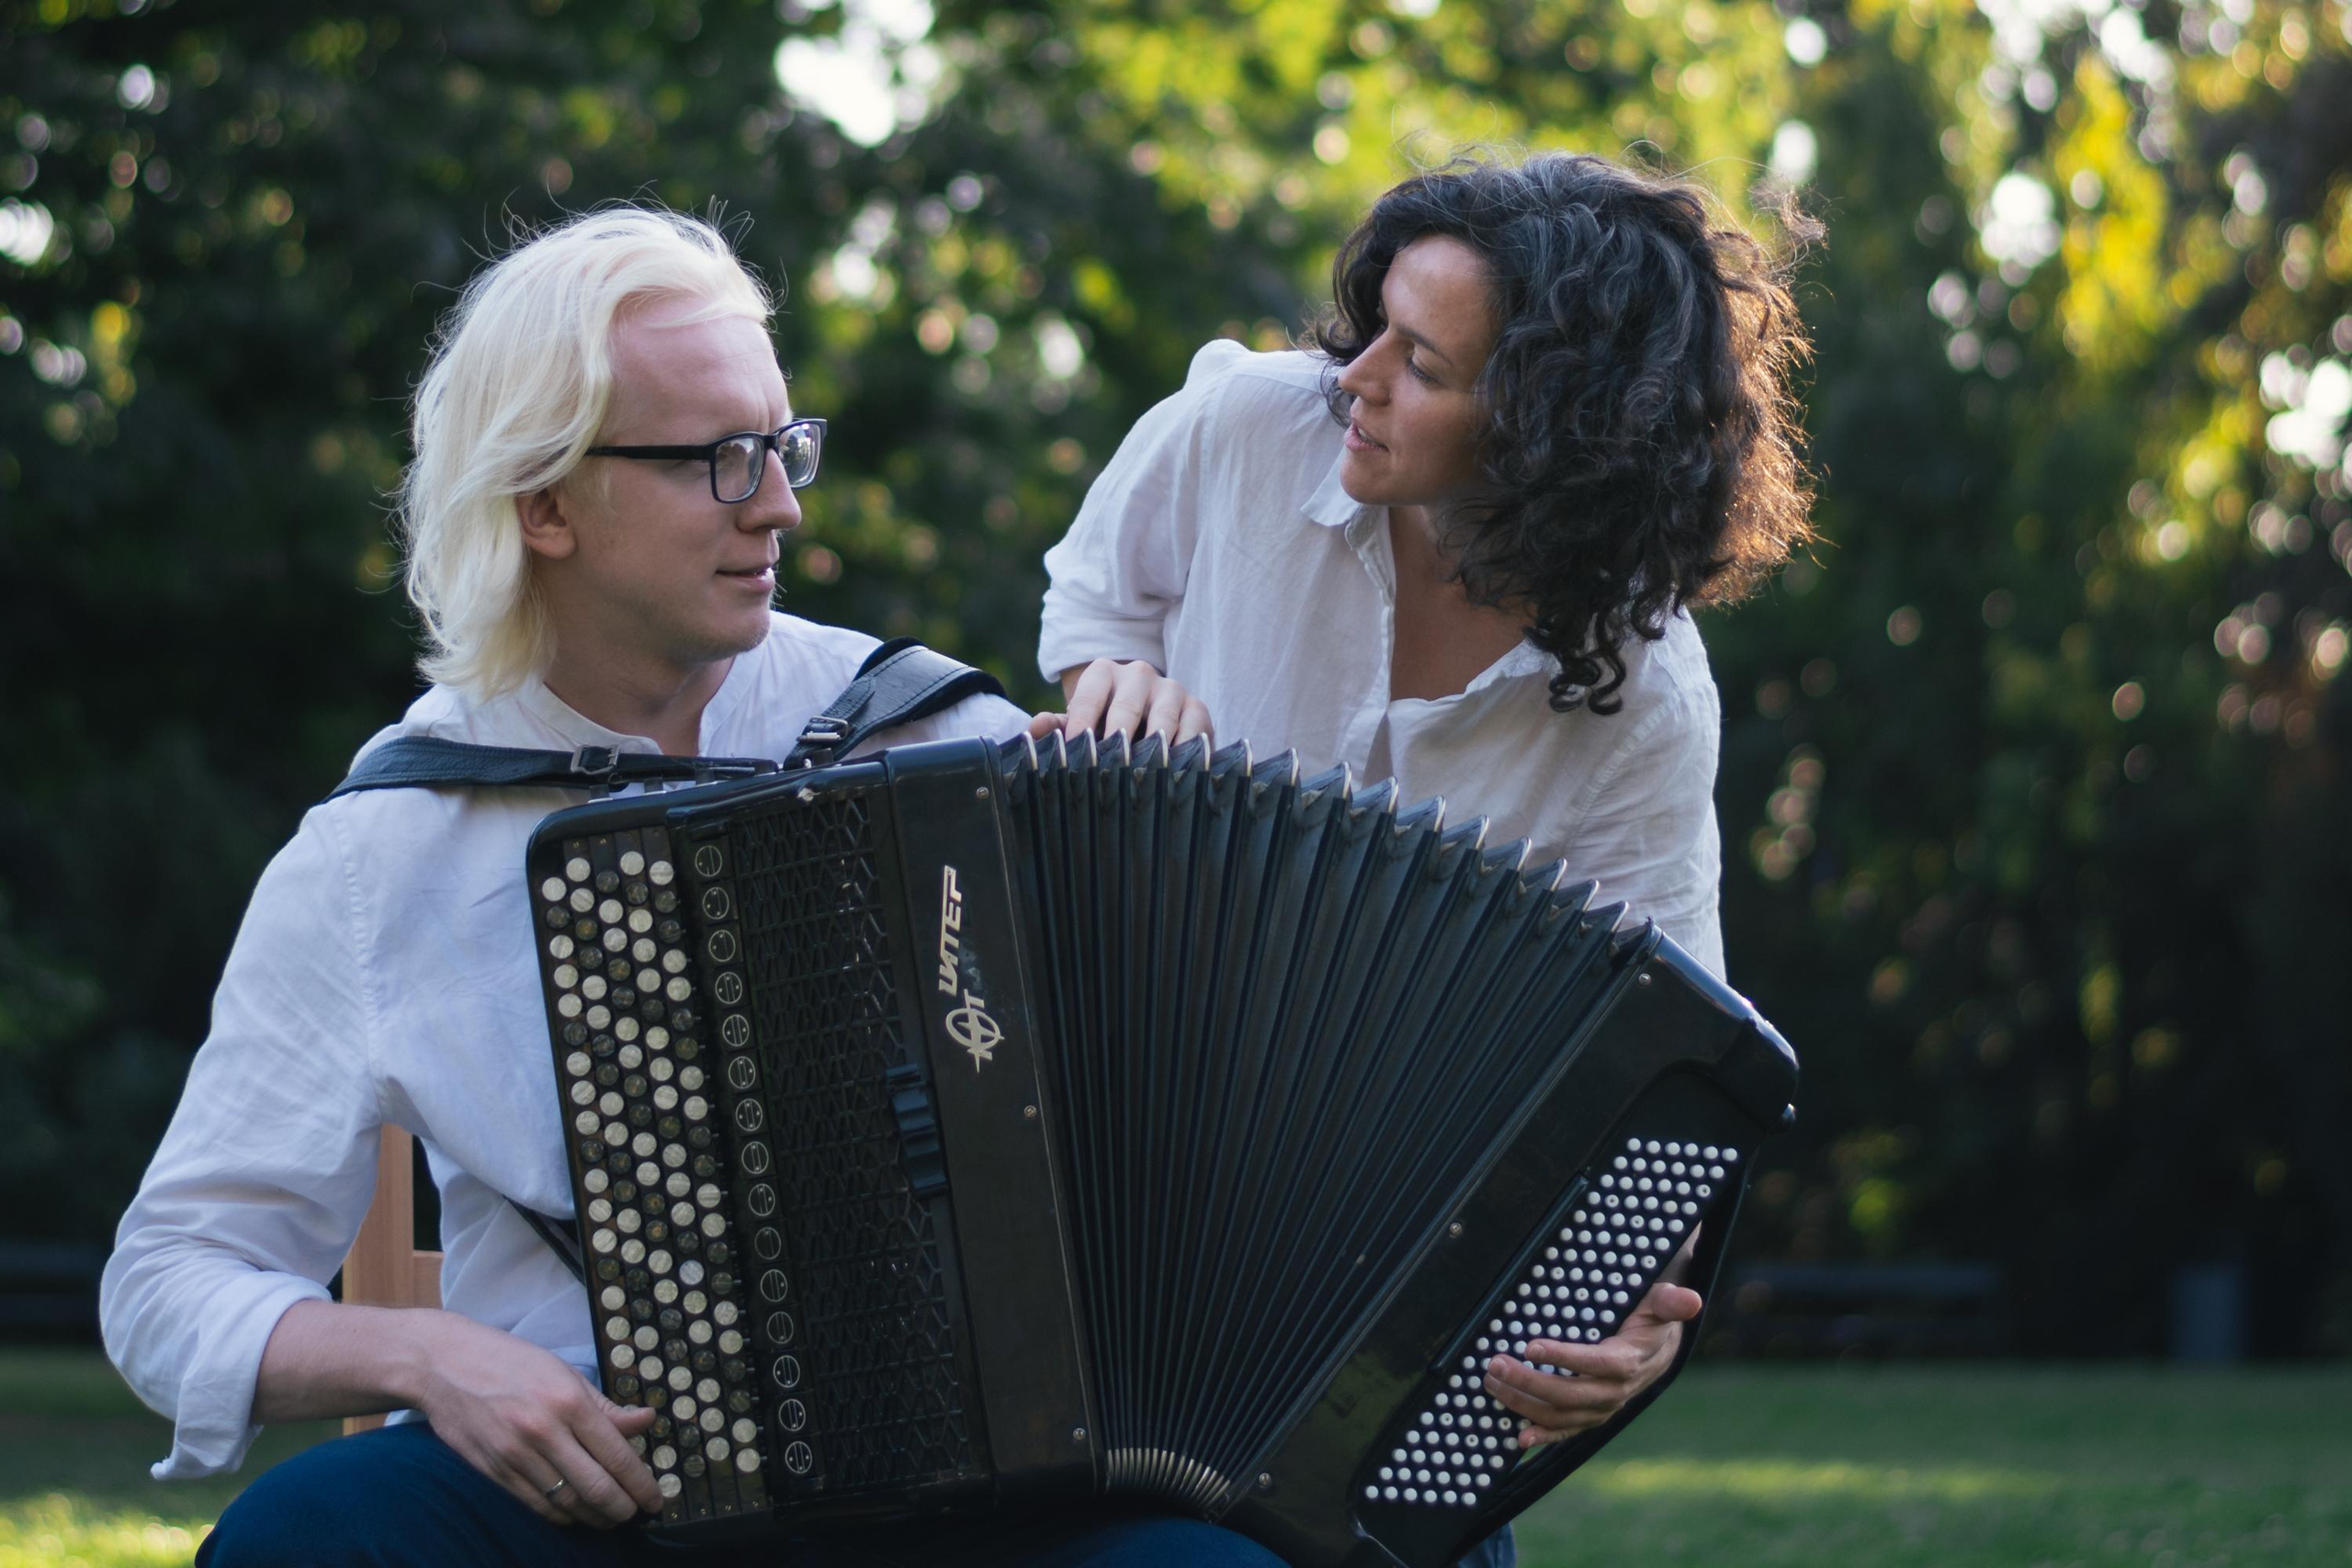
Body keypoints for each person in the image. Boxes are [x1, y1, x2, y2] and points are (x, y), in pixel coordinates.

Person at [100, 208, 1234, 1568]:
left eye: (782, 445)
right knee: (303, 1541)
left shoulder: (929, 733)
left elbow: (1158, 1098)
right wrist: (433, 1359)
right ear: (544, 503)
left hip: (998, 1473)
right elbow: (168, 1284)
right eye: (717, 461)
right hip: (606, 1483)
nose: (780, 504)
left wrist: (1131, 827)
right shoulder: (384, 850)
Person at [1038, 152, 1816, 1472]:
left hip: (1384, 1310)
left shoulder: (1645, 699)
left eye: (1424, 364)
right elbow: (1099, 597)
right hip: (1122, 1181)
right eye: (1377, 326)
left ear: (1545, 436)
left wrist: (1642, 1320)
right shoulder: (1245, 424)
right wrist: (1113, 678)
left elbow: (1662, 1068)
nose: (1356, 375)